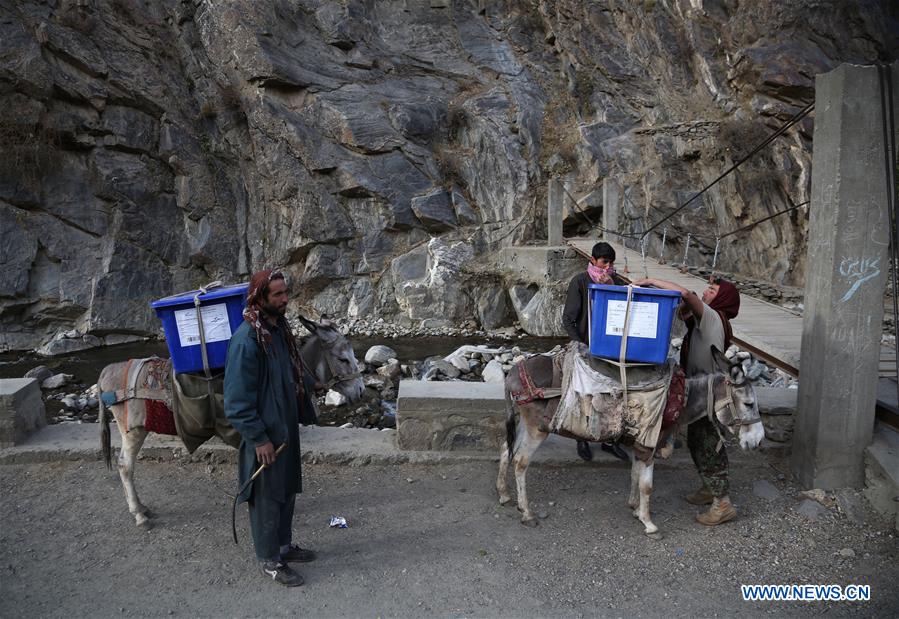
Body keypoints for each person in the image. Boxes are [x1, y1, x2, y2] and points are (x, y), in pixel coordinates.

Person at [224, 269, 316, 587]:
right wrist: (259, 438)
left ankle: (283, 546)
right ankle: (269, 560)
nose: (285, 299)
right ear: (260, 299)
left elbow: (287, 371)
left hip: (285, 431)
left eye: (285, 292)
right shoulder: (247, 341)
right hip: (266, 437)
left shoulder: (277, 330)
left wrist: (309, 386)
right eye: (277, 295)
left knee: (287, 490)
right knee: (267, 497)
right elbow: (236, 401)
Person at [632, 275, 741, 526]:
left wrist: (650, 281)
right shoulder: (708, 320)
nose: (706, 291)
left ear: (722, 298)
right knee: (696, 441)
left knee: (708, 444)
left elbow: (685, 294)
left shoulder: (713, 316)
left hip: (710, 394)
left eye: (712, 290)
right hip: (701, 390)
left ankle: (722, 503)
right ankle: (709, 487)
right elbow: (683, 313)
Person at [561, 241, 629, 463]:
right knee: (585, 394)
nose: (607, 266)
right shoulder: (580, 281)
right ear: (593, 260)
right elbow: (569, 317)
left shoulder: (616, 281)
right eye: (604, 262)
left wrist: (611, 287)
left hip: (611, 347)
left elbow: (623, 310)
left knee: (613, 393)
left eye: (611, 263)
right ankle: (582, 438)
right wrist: (580, 345)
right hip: (586, 345)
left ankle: (611, 440)